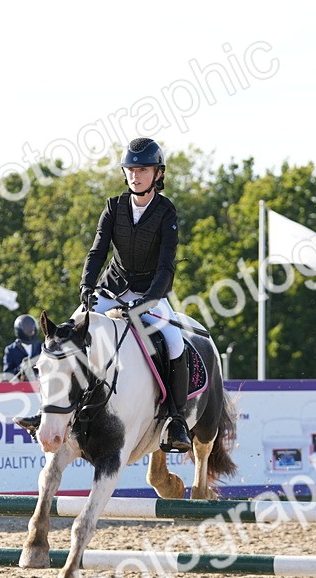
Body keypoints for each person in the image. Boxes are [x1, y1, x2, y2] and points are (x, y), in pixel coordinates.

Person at [19, 138, 189, 452]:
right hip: (111, 289)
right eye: (131, 169)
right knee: (64, 336)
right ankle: (46, 411)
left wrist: (150, 299)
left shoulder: (166, 212)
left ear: (158, 173)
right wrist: (86, 288)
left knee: (175, 342)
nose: (135, 175)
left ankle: (175, 419)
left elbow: (166, 265)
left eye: (143, 169)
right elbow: (97, 252)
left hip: (149, 294)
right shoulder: (113, 206)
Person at [2, 314, 41, 379]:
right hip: (20, 387)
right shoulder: (10, 350)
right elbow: (7, 375)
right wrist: (21, 368)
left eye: (31, 327)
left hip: (39, 386)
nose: (30, 330)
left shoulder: (41, 347)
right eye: (27, 328)